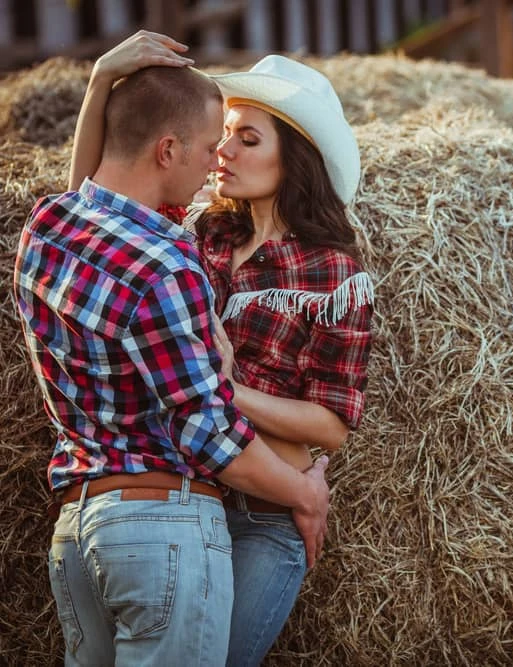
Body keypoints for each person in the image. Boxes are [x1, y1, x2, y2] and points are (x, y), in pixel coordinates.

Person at [15, 35, 335, 667]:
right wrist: (305, 495)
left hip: (77, 538)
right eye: (210, 143)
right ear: (167, 149)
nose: (216, 160)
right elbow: (209, 435)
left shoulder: (47, 228)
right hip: (162, 535)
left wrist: (102, 79)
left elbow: (92, 199)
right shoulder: (165, 267)